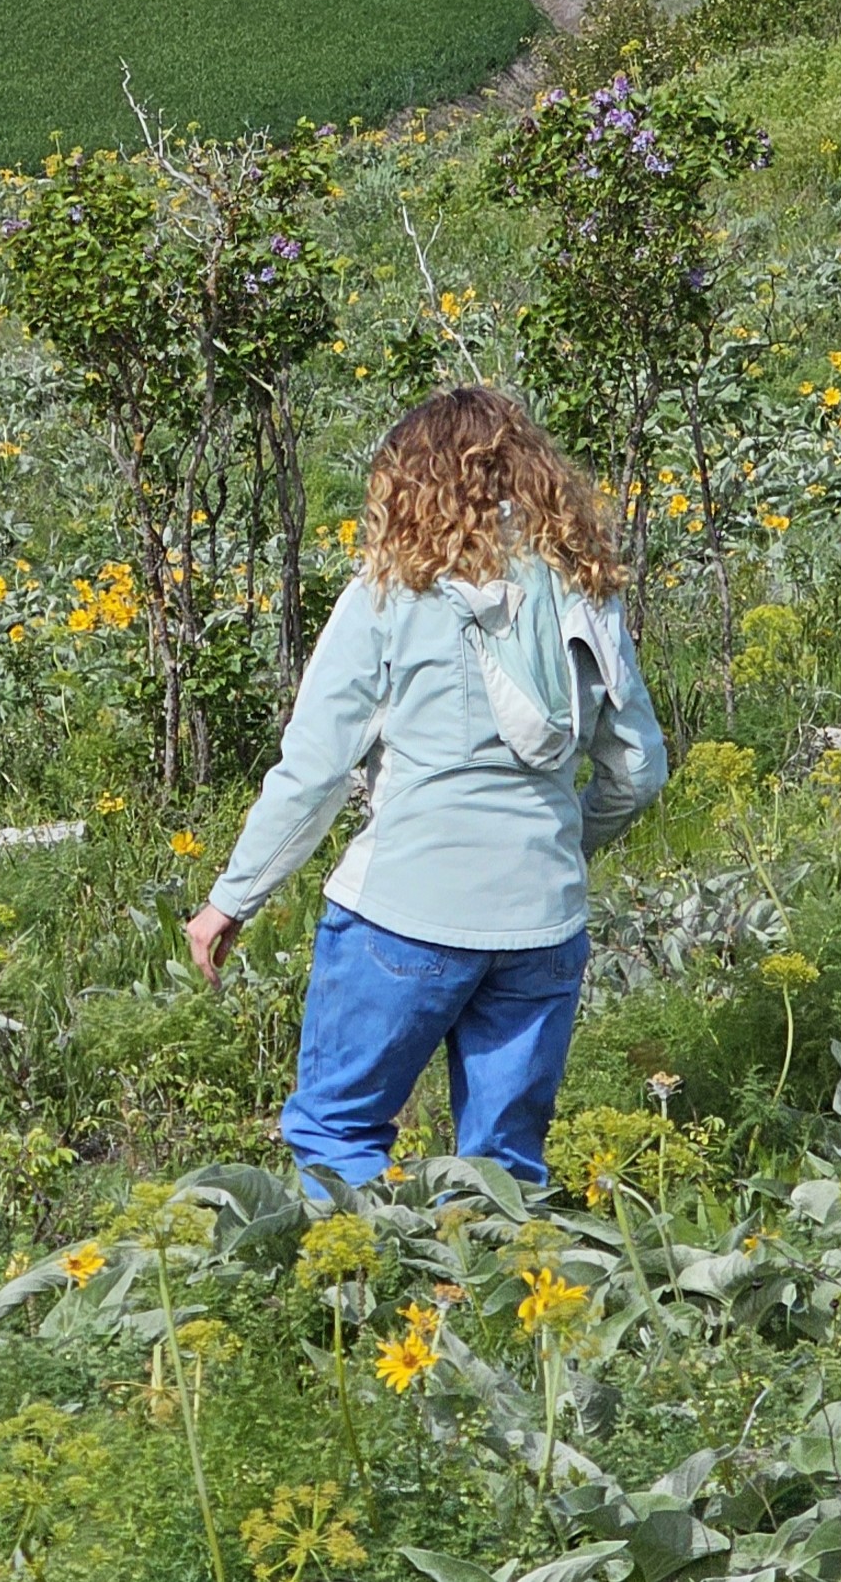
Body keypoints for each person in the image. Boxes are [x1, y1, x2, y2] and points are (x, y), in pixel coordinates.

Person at [185, 386, 668, 1188]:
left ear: (407, 483)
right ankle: (497, 1304)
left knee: (338, 1133)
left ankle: (352, 1308)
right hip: (542, 924)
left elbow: (314, 770)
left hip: (403, 915)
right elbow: (640, 768)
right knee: (504, 1170)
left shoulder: (386, 594)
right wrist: (564, 844)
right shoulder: (586, 590)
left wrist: (231, 899)